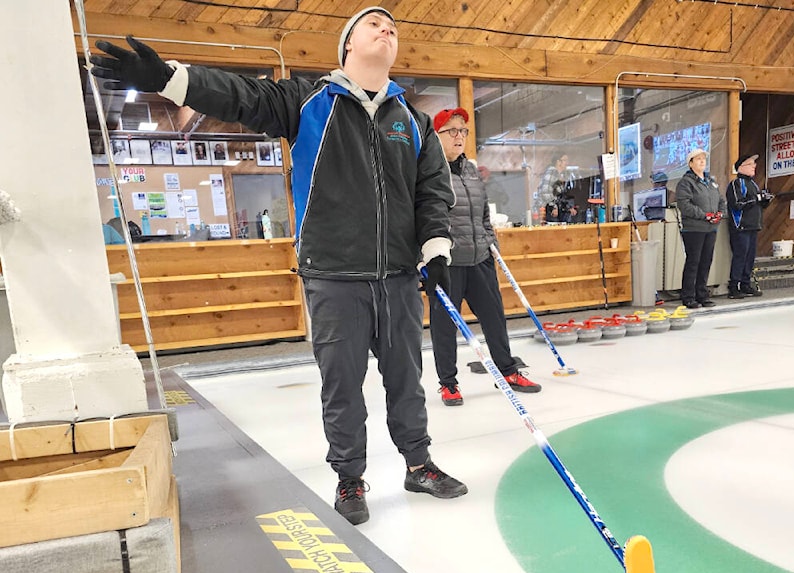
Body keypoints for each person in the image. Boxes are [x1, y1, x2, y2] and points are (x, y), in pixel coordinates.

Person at [91, 7, 467, 526]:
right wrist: (169, 79)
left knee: (407, 377)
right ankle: (350, 477)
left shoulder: (414, 121)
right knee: (343, 384)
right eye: (373, 25)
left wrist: (437, 247)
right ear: (347, 46)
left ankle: (419, 464)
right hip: (334, 275)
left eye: (393, 27)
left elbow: (432, 192)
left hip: (398, 276)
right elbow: (240, 95)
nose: (387, 30)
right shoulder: (307, 102)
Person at [429, 108, 542, 407]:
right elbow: (421, 218)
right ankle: (448, 384)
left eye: (463, 131)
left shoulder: (471, 171)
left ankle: (507, 371)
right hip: (448, 263)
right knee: (444, 325)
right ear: (437, 135)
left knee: (494, 318)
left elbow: (483, 215)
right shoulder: (426, 170)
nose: (459, 136)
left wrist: (491, 245)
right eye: (451, 130)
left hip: (480, 259)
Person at [675, 148, 725, 308]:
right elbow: (684, 204)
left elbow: (721, 200)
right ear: (690, 163)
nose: (702, 161)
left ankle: (702, 294)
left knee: (706, 261)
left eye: (703, 158)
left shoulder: (711, 182)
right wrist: (705, 215)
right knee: (693, 262)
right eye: (698, 159)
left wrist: (720, 214)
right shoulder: (685, 183)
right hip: (694, 228)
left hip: (711, 228)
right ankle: (688, 296)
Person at [725, 153, 772, 299]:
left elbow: (756, 203)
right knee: (740, 256)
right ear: (741, 167)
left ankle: (745, 283)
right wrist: (756, 198)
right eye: (751, 164)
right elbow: (737, 204)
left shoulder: (753, 184)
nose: (754, 167)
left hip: (753, 225)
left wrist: (765, 200)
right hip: (741, 226)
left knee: (750, 257)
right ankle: (734, 286)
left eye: (754, 164)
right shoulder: (736, 184)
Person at [536, 152, 574, 223]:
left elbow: (559, 196)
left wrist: (568, 208)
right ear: (558, 162)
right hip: (549, 211)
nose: (567, 163)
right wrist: (553, 206)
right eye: (565, 160)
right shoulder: (552, 171)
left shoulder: (558, 174)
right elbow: (545, 191)